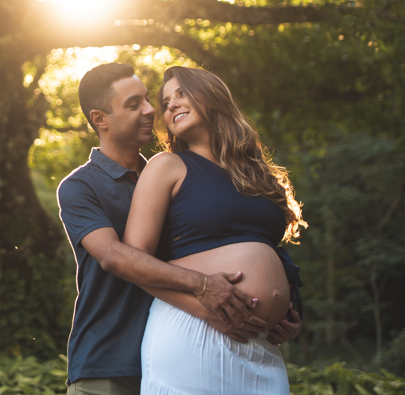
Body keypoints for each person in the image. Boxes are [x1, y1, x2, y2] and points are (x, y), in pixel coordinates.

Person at [57, 63, 298, 395]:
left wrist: (287, 303)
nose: (153, 110)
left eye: (148, 99)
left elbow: (251, 242)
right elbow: (115, 257)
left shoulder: (179, 173)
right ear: (100, 119)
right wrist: (203, 290)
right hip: (112, 354)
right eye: (134, 104)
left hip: (216, 336)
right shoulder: (82, 186)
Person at [124, 66, 305, 394]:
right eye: (166, 103)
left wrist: (290, 309)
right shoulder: (167, 167)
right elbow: (134, 262)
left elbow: (271, 254)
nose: (172, 105)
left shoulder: (258, 175)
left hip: (262, 344)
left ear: (213, 96)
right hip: (194, 328)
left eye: (182, 93)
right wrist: (205, 309)